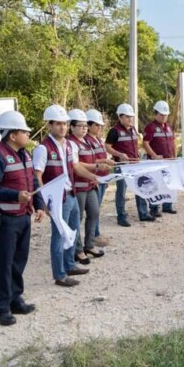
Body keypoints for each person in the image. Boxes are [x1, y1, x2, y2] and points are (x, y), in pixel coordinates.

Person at [0, 111, 45, 327]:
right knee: (4, 262)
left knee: (19, 259)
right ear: (12, 135)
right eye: (24, 131)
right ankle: (1, 308)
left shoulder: (24, 154)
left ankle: (15, 299)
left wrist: (39, 205)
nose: (28, 135)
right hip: (4, 218)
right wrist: (14, 196)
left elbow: (32, 183)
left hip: (22, 216)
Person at [33, 104, 97, 288]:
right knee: (59, 235)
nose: (63, 127)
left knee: (73, 231)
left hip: (72, 195)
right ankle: (60, 274)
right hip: (57, 199)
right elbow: (37, 176)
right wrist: (44, 201)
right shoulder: (42, 149)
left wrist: (92, 175)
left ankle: (69, 265)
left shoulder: (69, 145)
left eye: (65, 124)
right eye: (58, 124)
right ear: (49, 126)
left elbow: (76, 166)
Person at [66, 109, 107, 263]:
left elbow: (92, 159)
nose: (83, 128)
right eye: (80, 126)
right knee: (77, 218)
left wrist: (99, 166)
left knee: (94, 213)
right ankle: (77, 250)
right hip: (78, 186)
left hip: (90, 184)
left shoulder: (87, 141)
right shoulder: (71, 143)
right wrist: (95, 167)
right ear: (72, 127)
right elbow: (77, 164)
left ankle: (89, 245)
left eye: (85, 126)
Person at [105, 103, 154, 226]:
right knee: (121, 191)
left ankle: (143, 213)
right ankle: (121, 217)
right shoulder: (114, 131)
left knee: (140, 187)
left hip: (135, 164)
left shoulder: (133, 129)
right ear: (120, 117)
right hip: (122, 165)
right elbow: (107, 147)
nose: (130, 119)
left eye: (131, 117)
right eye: (127, 117)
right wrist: (119, 154)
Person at [84, 109, 114, 246]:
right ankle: (94, 235)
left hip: (102, 176)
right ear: (88, 125)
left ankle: (96, 233)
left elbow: (101, 156)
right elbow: (91, 160)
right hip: (94, 177)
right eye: (96, 125)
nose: (99, 128)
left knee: (97, 208)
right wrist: (104, 162)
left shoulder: (98, 139)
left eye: (100, 125)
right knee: (94, 210)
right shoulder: (87, 141)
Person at [143, 100, 177, 215]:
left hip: (169, 160)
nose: (164, 117)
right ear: (156, 114)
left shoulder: (169, 126)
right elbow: (145, 143)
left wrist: (175, 156)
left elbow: (173, 142)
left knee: (168, 183)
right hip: (155, 162)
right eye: (162, 114)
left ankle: (167, 205)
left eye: (166, 115)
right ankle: (154, 208)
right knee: (155, 185)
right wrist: (154, 155)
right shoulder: (150, 127)